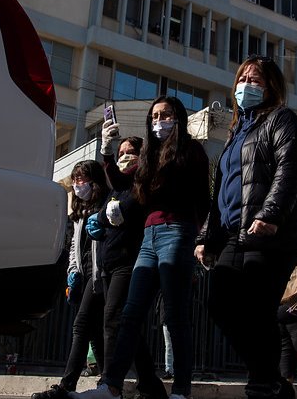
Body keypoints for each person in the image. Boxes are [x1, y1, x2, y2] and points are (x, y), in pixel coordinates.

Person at [72, 96, 210, 399]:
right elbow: (124, 185)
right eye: (155, 116)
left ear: (179, 118)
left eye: (166, 115)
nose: (159, 121)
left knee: (174, 314)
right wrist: (108, 149)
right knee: (130, 313)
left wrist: (196, 237)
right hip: (149, 237)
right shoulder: (148, 154)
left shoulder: (191, 151)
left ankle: (181, 391)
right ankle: (111, 386)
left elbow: (202, 197)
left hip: (177, 231)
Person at [195, 56, 297, 399]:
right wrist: (206, 236)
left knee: (258, 308)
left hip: (271, 232)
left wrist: (271, 215)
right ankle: (272, 378)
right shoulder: (236, 132)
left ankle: (261, 384)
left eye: (256, 79)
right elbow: (222, 190)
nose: (246, 84)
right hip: (235, 232)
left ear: (272, 86)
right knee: (219, 302)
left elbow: (289, 170)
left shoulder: (282, 119)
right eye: (242, 78)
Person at [91, 132, 167, 399]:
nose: (124, 156)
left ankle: (109, 382)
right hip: (109, 260)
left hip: (130, 258)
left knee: (113, 319)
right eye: (120, 152)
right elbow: (104, 212)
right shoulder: (117, 185)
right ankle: (150, 384)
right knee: (127, 324)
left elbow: (130, 208)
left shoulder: (142, 183)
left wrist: (112, 213)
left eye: (129, 152)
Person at [32, 160, 108, 399]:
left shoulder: (104, 207)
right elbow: (75, 245)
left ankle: (68, 384)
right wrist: (72, 272)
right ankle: (109, 382)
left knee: (81, 325)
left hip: (99, 276)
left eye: (82, 179)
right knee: (95, 331)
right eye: (75, 180)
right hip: (84, 276)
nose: (77, 185)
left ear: (95, 181)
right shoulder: (80, 212)